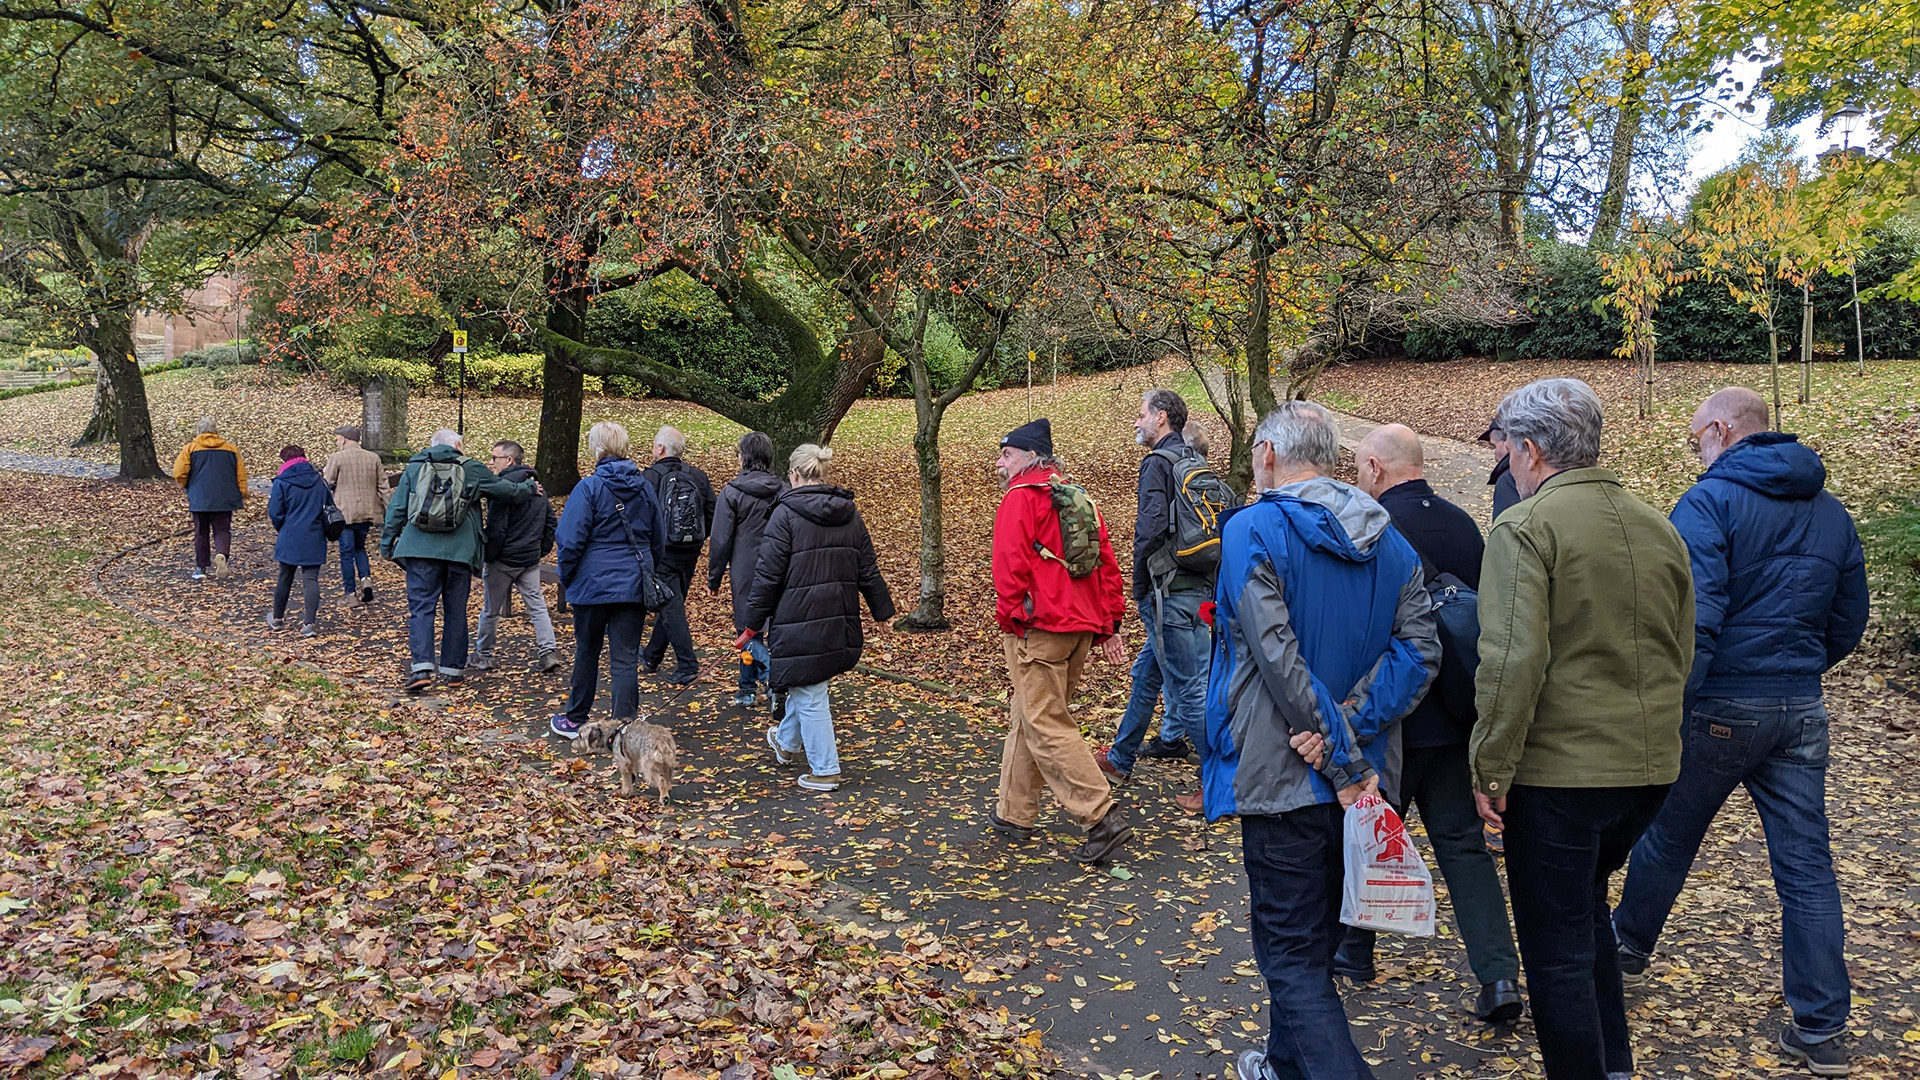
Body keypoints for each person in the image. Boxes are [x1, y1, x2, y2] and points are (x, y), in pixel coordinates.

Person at [1614, 387, 1868, 1078]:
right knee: (1807, 868)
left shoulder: (1708, 504)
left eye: (1695, 436)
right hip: (1799, 707)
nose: (1693, 448)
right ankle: (1821, 1030)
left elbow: (1691, 617)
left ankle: (1624, 951)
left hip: (1723, 705)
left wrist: (1671, 703)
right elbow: (1848, 618)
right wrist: (1800, 671)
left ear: (1721, 431)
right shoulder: (1831, 513)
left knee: (1668, 834)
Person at [1202, 403, 1438, 1080]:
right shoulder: (1389, 542)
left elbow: (1275, 654)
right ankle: (1283, 1065)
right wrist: (1352, 726)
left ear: (1271, 455)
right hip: (1362, 778)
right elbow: (1419, 652)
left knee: (1291, 958)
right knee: (1311, 945)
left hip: (1293, 774)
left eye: (1254, 454)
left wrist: (1332, 744)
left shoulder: (1251, 529)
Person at [1471, 378, 1693, 1080]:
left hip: (1561, 775)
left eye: (1508, 451)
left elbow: (1511, 659)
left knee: (1554, 949)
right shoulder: (1658, 524)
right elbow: (1680, 648)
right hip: (1649, 769)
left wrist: (1490, 767)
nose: (1508, 464)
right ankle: (1612, 1065)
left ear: (1531, 449)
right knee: (1585, 915)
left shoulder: (1526, 526)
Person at [1339, 423, 1523, 1023]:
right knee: (1465, 851)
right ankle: (1498, 976)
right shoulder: (1465, 526)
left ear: (1374, 466)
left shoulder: (1371, 530)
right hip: (1457, 717)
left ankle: (1354, 952)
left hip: (1394, 721)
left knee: (1368, 840)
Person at [987, 418, 1132, 863]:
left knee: (1046, 721)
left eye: (1006, 455)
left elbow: (1008, 568)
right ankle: (1014, 812)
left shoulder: (1020, 499)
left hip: (1041, 627)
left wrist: (1012, 619)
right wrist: (1108, 624)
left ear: (1030, 456)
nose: (999, 464)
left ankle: (1099, 816)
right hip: (1079, 629)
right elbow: (1106, 562)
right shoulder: (1079, 498)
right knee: (1030, 713)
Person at [740, 444, 895, 792]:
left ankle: (825, 770)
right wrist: (882, 611)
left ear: (793, 475)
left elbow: (767, 576)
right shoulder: (850, 513)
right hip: (837, 617)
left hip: (799, 619)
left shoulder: (784, 515)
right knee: (808, 683)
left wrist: (751, 624)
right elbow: (867, 568)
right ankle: (786, 741)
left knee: (810, 693)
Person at [1097, 389, 1210, 781]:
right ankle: (1120, 758)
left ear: (1160, 417)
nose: (1136, 422)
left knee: (1188, 691)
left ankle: (1226, 780)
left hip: (1167, 593)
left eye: (1141, 414)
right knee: (1147, 675)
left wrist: (1139, 587)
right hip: (1199, 589)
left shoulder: (1157, 464)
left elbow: (1149, 529)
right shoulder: (1193, 459)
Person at [382, 429, 538, 695]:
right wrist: (529, 486)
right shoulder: (471, 469)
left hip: (420, 550)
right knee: (456, 611)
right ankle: (453, 671)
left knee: (421, 610)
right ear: (456, 445)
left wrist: (388, 543)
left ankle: (421, 668)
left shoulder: (415, 467)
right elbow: (507, 491)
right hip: (460, 552)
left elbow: (398, 508)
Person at [549, 422, 666, 739]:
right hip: (633, 583)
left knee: (587, 650)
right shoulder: (644, 487)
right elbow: (658, 538)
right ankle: (624, 726)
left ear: (597, 448)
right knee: (625, 658)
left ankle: (575, 718)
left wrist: (567, 576)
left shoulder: (588, 488)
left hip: (592, 584)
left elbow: (570, 539)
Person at [708, 431, 787, 707]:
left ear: (745, 457)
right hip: (779, 565)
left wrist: (714, 576)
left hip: (745, 568)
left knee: (746, 630)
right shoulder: (784, 490)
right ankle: (747, 687)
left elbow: (720, 539)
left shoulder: (731, 492)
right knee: (770, 628)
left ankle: (769, 680)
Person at [471, 440, 561, 674]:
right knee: (537, 606)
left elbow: (497, 529)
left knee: (491, 609)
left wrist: (488, 556)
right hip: (529, 559)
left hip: (503, 559)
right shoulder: (537, 486)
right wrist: (540, 550)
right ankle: (548, 651)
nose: (491, 462)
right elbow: (550, 522)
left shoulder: (502, 489)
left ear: (509, 460)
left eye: (495, 458)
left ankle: (484, 654)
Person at [641, 426, 715, 685]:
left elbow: (641, 517)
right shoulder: (697, 476)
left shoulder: (650, 477)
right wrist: (696, 540)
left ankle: (687, 664)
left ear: (660, 448)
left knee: (672, 608)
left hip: (663, 551)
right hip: (690, 551)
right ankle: (652, 655)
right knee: (671, 602)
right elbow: (711, 513)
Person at [266, 444, 334, 637]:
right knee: (311, 579)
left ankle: (278, 618)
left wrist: (283, 528)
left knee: (285, 577)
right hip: (314, 534)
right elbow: (328, 506)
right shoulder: (319, 480)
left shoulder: (282, 482)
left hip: (289, 534)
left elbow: (275, 512)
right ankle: (309, 623)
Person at [322, 425, 390, 605]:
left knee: (346, 552)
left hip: (344, 512)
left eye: (337, 439)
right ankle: (366, 581)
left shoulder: (336, 458)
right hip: (367, 511)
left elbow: (326, 484)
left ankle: (350, 594)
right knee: (360, 548)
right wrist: (389, 510)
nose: (337, 442)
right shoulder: (373, 458)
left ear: (344, 439)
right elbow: (383, 487)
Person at [173, 418, 247, 580]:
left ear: (198, 430)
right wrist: (242, 493)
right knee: (222, 530)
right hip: (225, 497)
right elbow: (240, 474)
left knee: (201, 532)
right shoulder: (231, 449)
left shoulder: (190, 449)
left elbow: (179, 472)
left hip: (200, 497)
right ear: (216, 430)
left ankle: (201, 568)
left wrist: (186, 486)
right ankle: (221, 555)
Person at [1481, 418, 1521, 520]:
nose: (1495, 457)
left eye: (1494, 446)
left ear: (1507, 442)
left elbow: (1506, 528)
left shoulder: (1508, 480)